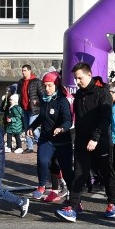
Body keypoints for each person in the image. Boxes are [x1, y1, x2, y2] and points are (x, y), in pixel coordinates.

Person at [58, 62, 115, 221]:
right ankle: (74, 206)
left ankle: (112, 202)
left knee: (105, 173)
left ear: (89, 75)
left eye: (80, 78)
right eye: (76, 79)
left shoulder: (102, 93)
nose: (77, 82)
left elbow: (105, 118)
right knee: (79, 173)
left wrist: (96, 138)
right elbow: (78, 119)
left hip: (100, 141)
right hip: (82, 141)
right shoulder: (79, 96)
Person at [28, 71, 74, 201]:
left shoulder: (62, 101)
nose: (47, 89)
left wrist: (61, 128)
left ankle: (73, 198)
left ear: (56, 85)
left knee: (62, 168)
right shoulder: (44, 100)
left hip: (61, 141)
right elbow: (41, 118)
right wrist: (31, 126)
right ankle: (41, 186)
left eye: (50, 86)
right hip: (46, 138)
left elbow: (68, 120)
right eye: (45, 86)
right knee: (43, 161)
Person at [18, 64, 44, 153]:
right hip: (24, 108)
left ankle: (41, 144)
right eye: (22, 70)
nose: (23, 72)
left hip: (34, 109)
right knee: (26, 128)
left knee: (33, 128)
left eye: (25, 70)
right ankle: (29, 147)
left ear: (29, 71)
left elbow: (42, 95)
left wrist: (38, 103)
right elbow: (19, 94)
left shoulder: (36, 82)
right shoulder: (20, 82)